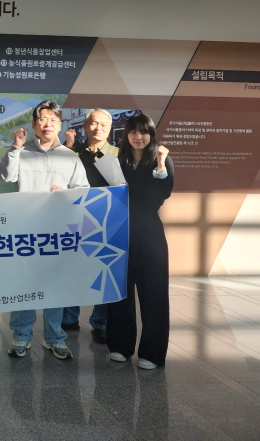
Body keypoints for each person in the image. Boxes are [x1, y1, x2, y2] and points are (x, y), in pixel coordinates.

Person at [0, 100, 89, 360]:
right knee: (24, 283)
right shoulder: (21, 150)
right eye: (43, 119)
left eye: (53, 120)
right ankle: (21, 336)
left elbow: (82, 190)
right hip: (25, 229)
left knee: (55, 285)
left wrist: (66, 193)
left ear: (60, 124)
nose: (48, 124)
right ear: (34, 124)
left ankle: (55, 338)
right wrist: (15, 148)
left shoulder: (70, 156)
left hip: (57, 232)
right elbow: (6, 177)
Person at [106, 113, 173, 369]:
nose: (138, 137)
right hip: (119, 232)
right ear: (126, 135)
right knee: (120, 292)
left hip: (149, 234)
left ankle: (152, 353)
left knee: (154, 293)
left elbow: (162, 194)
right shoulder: (116, 162)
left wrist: (161, 166)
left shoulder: (161, 160)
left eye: (143, 132)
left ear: (151, 135)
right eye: (133, 131)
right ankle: (119, 346)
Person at [62, 109, 117, 344]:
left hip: (108, 221)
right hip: (75, 219)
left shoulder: (118, 154)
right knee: (72, 270)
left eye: (104, 124)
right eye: (94, 123)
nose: (98, 128)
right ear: (85, 126)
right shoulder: (72, 153)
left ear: (110, 128)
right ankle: (68, 318)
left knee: (104, 272)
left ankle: (100, 323)